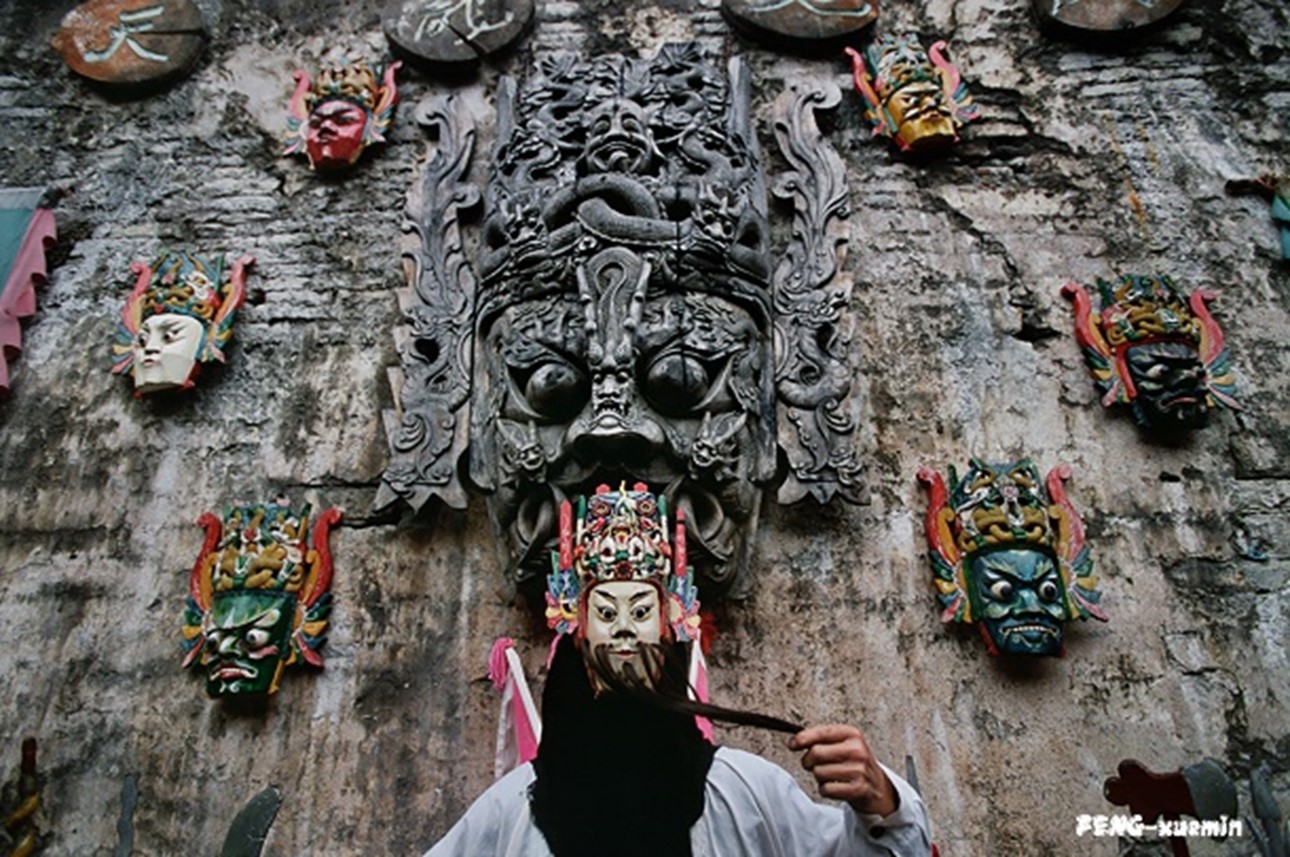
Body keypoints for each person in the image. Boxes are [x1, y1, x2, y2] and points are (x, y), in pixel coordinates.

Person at [423, 485, 932, 856]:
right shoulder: (508, 814)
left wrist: (881, 804)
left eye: (641, 611)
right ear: (577, 633)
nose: (623, 630)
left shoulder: (746, 794)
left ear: (671, 628)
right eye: (606, 612)